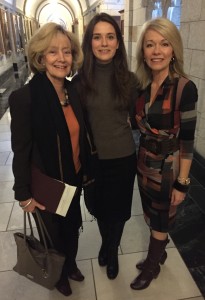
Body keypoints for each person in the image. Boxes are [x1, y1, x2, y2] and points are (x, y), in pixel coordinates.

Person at [9, 22, 87, 297]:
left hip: (74, 178)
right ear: (40, 58)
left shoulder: (73, 91)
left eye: (66, 51)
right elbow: (21, 150)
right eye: (53, 52)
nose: (61, 58)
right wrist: (23, 193)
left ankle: (72, 263)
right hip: (47, 182)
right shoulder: (24, 98)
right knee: (53, 233)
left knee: (72, 227)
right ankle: (60, 274)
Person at [130, 17, 198, 290]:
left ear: (173, 50)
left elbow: (188, 141)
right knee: (151, 214)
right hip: (144, 163)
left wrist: (183, 183)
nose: (156, 51)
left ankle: (152, 264)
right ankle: (160, 250)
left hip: (168, 168)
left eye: (164, 44)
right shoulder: (142, 87)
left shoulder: (184, 88)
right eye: (150, 45)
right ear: (143, 52)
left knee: (161, 217)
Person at [74, 12, 137, 280]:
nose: (104, 43)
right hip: (94, 159)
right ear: (89, 42)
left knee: (119, 210)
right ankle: (105, 241)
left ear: (118, 42)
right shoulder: (79, 82)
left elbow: (138, 119)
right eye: (97, 37)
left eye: (110, 37)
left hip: (123, 157)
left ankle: (112, 251)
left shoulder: (130, 80)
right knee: (99, 208)